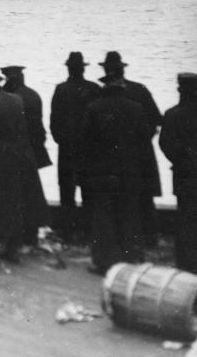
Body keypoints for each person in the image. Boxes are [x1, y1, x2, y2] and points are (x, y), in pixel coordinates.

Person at [0, 67, 46, 263]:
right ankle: (15, 248)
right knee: (17, 202)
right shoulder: (16, 99)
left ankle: (3, 249)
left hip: (1, 160)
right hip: (22, 157)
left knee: (1, 204)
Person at [79, 72, 151, 275]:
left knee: (103, 217)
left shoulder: (94, 108)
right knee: (129, 215)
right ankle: (130, 259)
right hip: (129, 171)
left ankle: (103, 262)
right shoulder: (136, 109)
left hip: (102, 173)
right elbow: (145, 141)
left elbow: (85, 141)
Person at [99, 51, 163, 248]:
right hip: (141, 152)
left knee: (118, 200)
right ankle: (149, 239)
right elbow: (156, 121)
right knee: (144, 197)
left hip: (113, 156)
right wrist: (143, 141)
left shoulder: (103, 95)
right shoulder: (140, 90)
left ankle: (124, 241)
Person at [49, 52, 100, 243]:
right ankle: (88, 231)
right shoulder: (94, 88)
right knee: (88, 192)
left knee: (66, 191)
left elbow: (54, 121)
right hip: (89, 149)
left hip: (67, 148)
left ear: (69, 68)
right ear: (83, 68)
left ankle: (67, 231)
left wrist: (61, 140)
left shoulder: (61, 89)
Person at [1, 66, 51, 246]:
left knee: (15, 196)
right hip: (32, 150)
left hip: (15, 152)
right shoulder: (33, 95)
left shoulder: (10, 97)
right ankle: (32, 233)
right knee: (32, 194)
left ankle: (16, 236)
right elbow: (38, 128)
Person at [158, 72, 197, 273]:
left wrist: (180, 160)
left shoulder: (172, 114)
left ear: (180, 89)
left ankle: (185, 263)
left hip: (183, 174)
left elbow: (164, 143)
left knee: (184, 219)